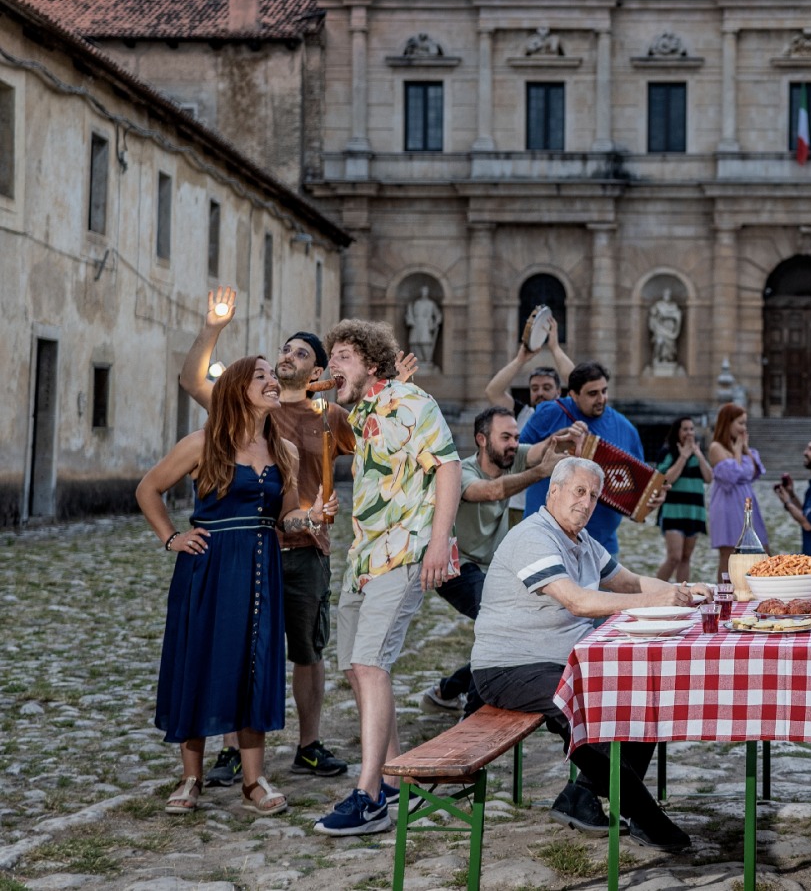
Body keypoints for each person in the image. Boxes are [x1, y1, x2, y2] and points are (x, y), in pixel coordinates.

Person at [472, 457, 703, 850]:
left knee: (643, 693)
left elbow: (628, 582)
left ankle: (579, 797)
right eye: (579, 491)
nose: (586, 502)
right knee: (582, 708)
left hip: (562, 660)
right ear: (554, 492)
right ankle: (647, 819)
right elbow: (576, 601)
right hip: (508, 666)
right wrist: (658, 600)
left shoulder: (580, 540)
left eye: (594, 495)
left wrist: (685, 589)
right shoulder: (535, 536)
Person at [136, 355, 330, 817]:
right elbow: (148, 488)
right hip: (208, 566)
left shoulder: (285, 448)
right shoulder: (202, 443)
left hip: (263, 567)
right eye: (260, 376)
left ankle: (253, 781)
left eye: (271, 376)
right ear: (237, 388)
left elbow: (284, 516)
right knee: (199, 659)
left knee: (254, 665)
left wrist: (311, 516)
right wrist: (172, 538)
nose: (271, 381)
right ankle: (191, 777)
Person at [178, 287, 356, 787]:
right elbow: (191, 379)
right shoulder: (247, 405)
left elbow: (377, 443)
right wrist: (213, 327)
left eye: (302, 352)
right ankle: (234, 750)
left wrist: (343, 387)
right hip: (248, 549)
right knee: (237, 648)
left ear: (316, 368)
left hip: (305, 548)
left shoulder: (330, 418)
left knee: (307, 649)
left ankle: (308, 745)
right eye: (285, 348)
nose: (287, 356)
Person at [315, 319, 462, 836]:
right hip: (362, 558)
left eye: (345, 357)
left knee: (371, 665)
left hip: (403, 554)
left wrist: (440, 541)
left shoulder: (410, 402)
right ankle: (397, 777)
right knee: (358, 670)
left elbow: (448, 467)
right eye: (332, 357)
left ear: (371, 364)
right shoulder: (361, 413)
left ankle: (369, 795)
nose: (334, 366)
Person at [421, 407, 578, 715]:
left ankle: (449, 688)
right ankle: (473, 720)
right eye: (505, 437)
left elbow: (539, 451)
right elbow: (490, 491)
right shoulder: (463, 472)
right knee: (499, 626)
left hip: (492, 570)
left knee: (521, 626)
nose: (512, 444)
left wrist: (566, 436)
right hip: (456, 568)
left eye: (516, 437)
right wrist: (538, 473)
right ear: (481, 439)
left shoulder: (512, 457)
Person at [517, 361, 644, 556]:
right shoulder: (549, 413)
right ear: (573, 395)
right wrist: (554, 441)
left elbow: (638, 488)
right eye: (592, 394)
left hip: (601, 546)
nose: (601, 398)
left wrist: (648, 500)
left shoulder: (625, 428)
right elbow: (516, 459)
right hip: (547, 540)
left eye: (604, 391)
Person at [485, 316, 574, 523]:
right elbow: (493, 391)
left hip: (556, 506)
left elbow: (579, 383)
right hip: (518, 504)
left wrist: (555, 348)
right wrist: (520, 360)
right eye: (534, 388)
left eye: (546, 388)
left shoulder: (567, 414)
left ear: (559, 392)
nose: (540, 393)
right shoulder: (521, 413)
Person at [707, 403, 768, 578]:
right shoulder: (716, 448)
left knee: (761, 549)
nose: (744, 429)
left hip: (747, 502)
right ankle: (725, 595)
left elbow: (755, 472)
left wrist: (745, 449)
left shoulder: (743, 448)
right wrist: (737, 453)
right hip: (727, 503)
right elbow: (732, 475)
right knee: (729, 554)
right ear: (728, 423)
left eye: (745, 424)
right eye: (740, 423)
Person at [655, 416, 712, 581]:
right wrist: (683, 457)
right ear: (677, 432)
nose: (689, 433)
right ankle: (653, 593)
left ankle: (682, 596)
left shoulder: (697, 454)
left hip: (693, 512)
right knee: (674, 557)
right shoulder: (668, 452)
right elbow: (665, 479)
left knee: (686, 558)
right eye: (685, 429)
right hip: (674, 512)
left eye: (692, 429)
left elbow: (709, 477)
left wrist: (698, 454)